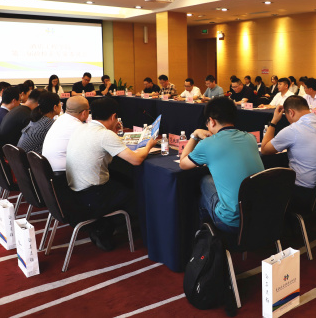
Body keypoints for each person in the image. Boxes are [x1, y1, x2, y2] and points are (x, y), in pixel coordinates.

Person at [66, 97, 157, 251]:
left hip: (76, 191)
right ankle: (106, 229)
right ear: (114, 116)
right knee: (138, 193)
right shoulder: (104, 135)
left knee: (122, 179)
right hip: (94, 196)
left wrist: (113, 131)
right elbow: (136, 160)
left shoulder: (82, 127)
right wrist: (149, 145)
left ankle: (106, 225)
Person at [179, 97, 264, 233]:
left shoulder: (207, 144)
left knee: (204, 182)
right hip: (259, 214)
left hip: (231, 221)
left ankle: (207, 238)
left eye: (207, 122)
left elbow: (183, 164)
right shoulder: (250, 138)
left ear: (212, 121)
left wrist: (195, 135)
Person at [261, 96, 316, 208]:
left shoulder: (294, 130)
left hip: (304, 192)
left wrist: (274, 121)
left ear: (291, 112)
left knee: (269, 183)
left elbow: (265, 149)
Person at [42, 96, 89, 172]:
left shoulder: (60, 119)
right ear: (84, 113)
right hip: (62, 173)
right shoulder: (78, 127)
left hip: (47, 170)